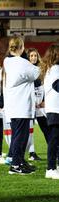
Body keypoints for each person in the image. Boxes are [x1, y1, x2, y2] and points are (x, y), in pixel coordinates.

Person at [3, 36, 39, 175]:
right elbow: (36, 73)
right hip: (21, 105)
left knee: (21, 136)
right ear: (22, 47)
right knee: (20, 136)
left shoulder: (8, 61)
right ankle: (16, 164)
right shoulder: (21, 62)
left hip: (16, 105)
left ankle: (20, 161)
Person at [39, 44, 59, 179]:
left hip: (53, 108)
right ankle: (50, 168)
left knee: (55, 139)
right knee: (53, 140)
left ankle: (53, 167)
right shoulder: (56, 68)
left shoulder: (50, 69)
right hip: (56, 109)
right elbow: (57, 86)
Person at [26, 48, 49, 161]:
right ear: (28, 58)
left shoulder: (42, 70)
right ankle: (31, 153)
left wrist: (44, 101)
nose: (34, 58)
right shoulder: (25, 70)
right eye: (31, 56)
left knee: (47, 129)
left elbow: (46, 87)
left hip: (41, 107)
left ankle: (54, 150)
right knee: (30, 131)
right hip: (30, 107)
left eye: (35, 55)